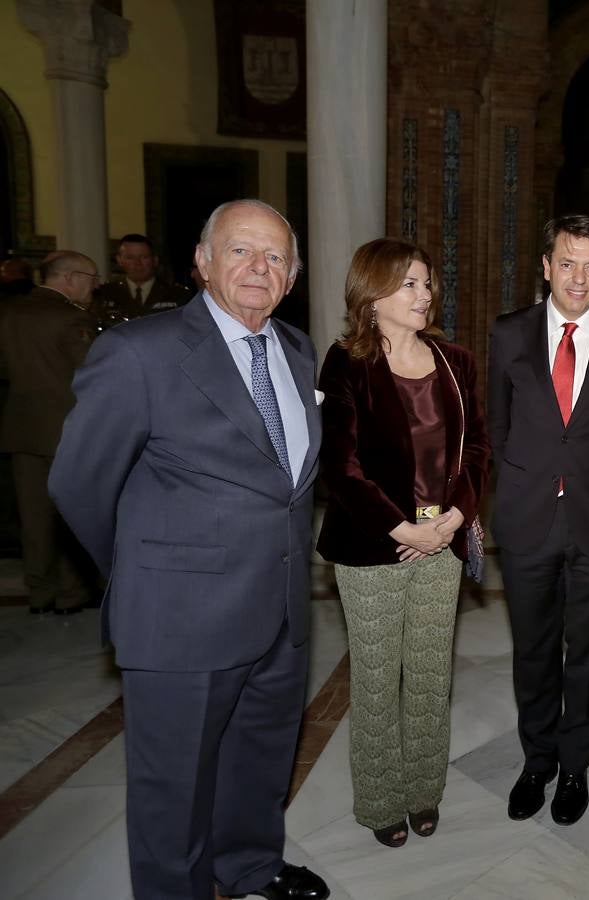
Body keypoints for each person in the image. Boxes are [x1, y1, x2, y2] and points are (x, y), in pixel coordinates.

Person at [49, 200, 329, 900]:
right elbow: (80, 482)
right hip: (180, 620)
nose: (258, 268)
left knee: (259, 763)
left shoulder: (296, 350)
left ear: (293, 276)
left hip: (282, 615)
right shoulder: (140, 351)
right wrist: (149, 573)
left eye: (274, 257)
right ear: (202, 263)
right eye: (239, 251)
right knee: (172, 793)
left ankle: (250, 869)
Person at [316, 238, 489, 846]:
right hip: (373, 548)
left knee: (428, 675)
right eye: (409, 283)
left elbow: (477, 451)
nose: (424, 294)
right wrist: (403, 526)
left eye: (426, 282)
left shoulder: (455, 361)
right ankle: (381, 800)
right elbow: (340, 466)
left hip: (442, 543)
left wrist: (453, 518)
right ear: (372, 293)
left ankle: (423, 791)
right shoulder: (346, 362)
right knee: (376, 677)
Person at [488, 214, 589, 826]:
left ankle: (576, 762)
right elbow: (497, 427)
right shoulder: (509, 334)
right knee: (532, 649)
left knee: (588, 651)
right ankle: (538, 759)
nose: (578, 278)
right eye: (567, 263)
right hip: (527, 519)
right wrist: (512, 495)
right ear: (546, 266)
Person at [0, 251, 98, 614]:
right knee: (70, 516)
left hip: (21, 428)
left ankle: (40, 591)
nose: (95, 285)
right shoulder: (73, 319)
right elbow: (92, 375)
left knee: (33, 518)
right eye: (91, 277)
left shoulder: (9, 312)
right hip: (66, 432)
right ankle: (72, 593)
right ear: (69, 278)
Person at [91, 233, 190, 324]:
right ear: (119, 260)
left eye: (144, 257)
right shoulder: (105, 294)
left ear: (155, 260)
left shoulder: (177, 295)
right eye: (130, 258)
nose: (138, 264)